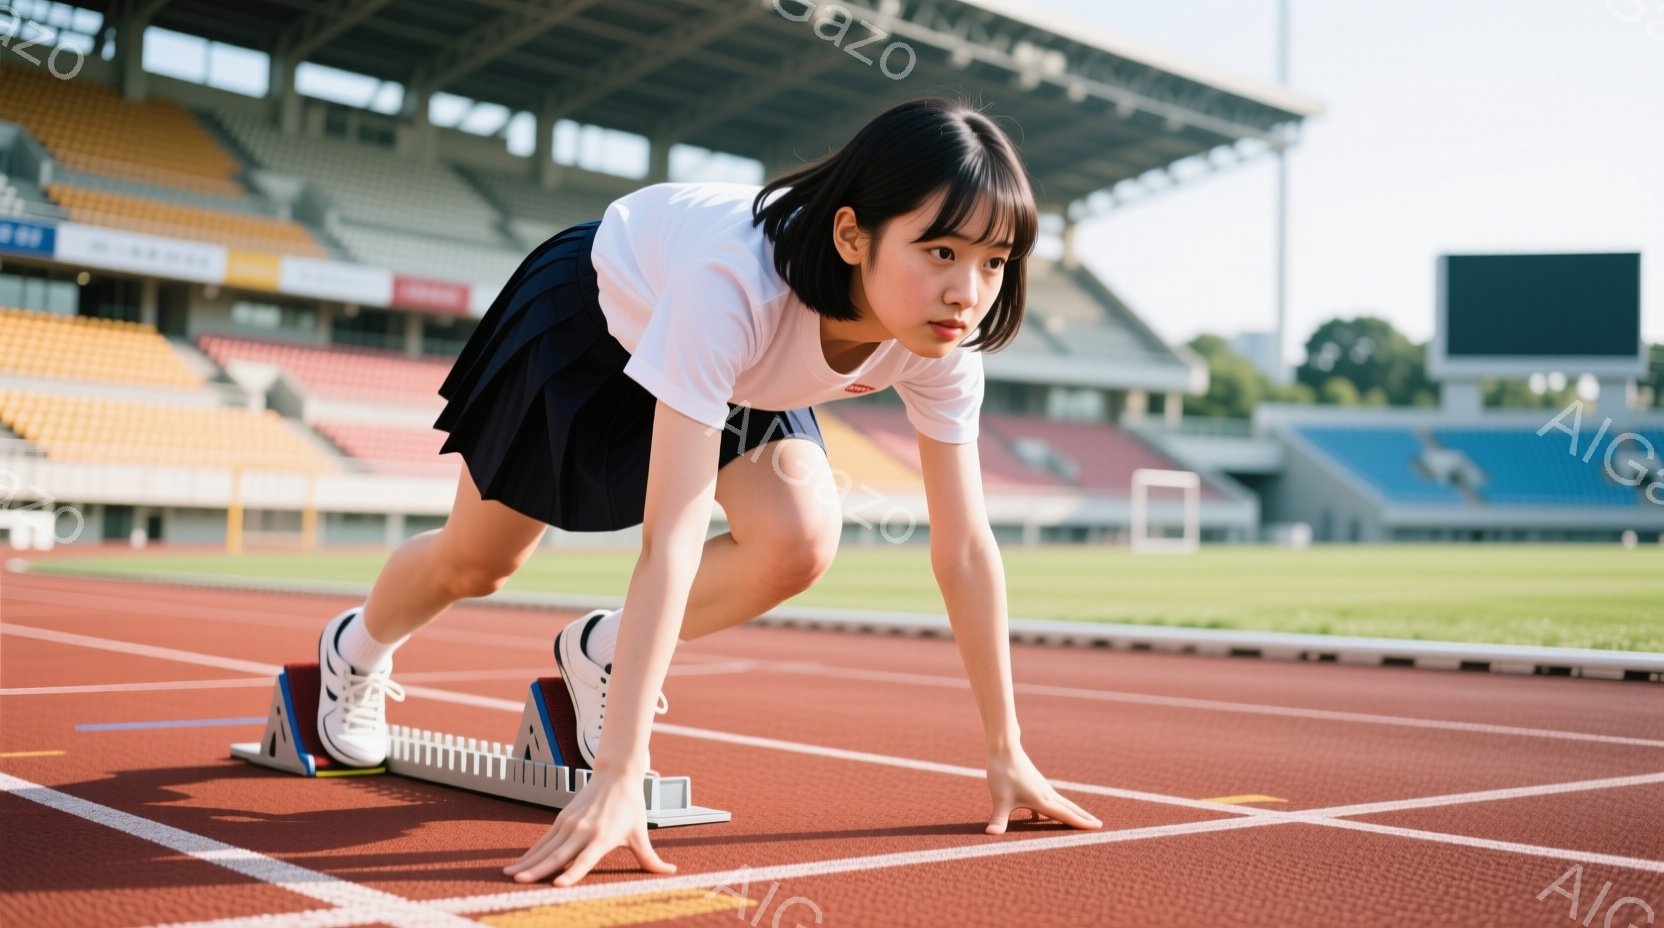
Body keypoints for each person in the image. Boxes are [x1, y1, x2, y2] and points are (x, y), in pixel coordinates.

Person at [311, 96, 1103, 888]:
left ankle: (601, 656)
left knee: (798, 538)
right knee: (476, 565)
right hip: (587, 323)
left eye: (993, 261)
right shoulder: (734, 284)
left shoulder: (941, 346)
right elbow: (672, 537)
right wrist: (618, 770)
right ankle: (354, 651)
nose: (969, 291)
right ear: (852, 234)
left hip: (740, 372)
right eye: (940, 252)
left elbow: (964, 548)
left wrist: (1007, 750)